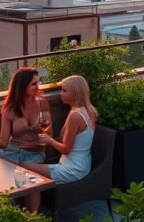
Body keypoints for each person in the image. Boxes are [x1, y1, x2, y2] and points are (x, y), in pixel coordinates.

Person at [25, 75, 98, 212]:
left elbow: (66, 149)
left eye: (64, 91)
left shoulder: (75, 116)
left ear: (75, 93)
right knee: (30, 172)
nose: (60, 94)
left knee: (26, 171)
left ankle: (32, 216)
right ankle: (32, 213)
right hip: (82, 164)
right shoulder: (86, 110)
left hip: (73, 169)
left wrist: (49, 140)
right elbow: (70, 141)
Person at [0, 67, 51, 167]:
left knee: (26, 176)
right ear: (22, 86)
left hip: (34, 154)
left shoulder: (43, 104)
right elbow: (4, 142)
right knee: (6, 177)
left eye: (38, 83)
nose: (38, 87)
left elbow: (49, 138)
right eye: (34, 84)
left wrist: (29, 146)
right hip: (12, 152)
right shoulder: (10, 109)